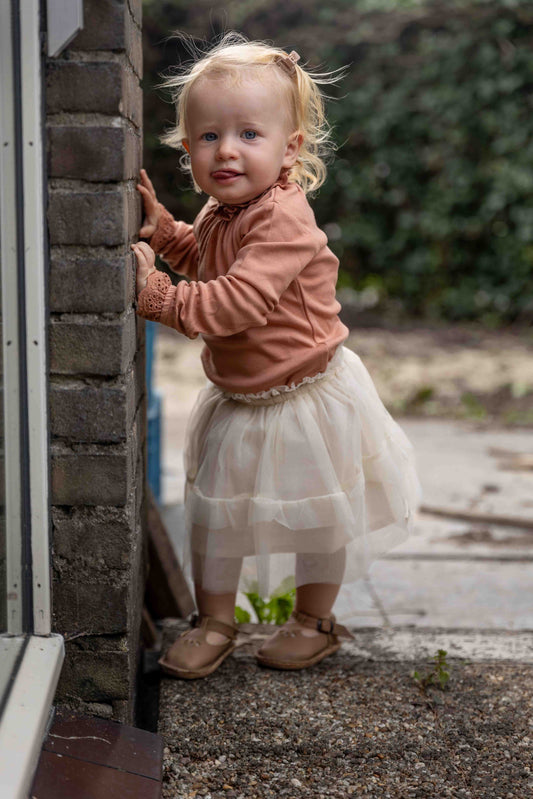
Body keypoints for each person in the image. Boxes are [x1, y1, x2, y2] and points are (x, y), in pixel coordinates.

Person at [132, 33, 421, 679]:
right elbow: (209, 259)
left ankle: (312, 620)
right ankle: (214, 622)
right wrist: (168, 234)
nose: (225, 149)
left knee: (319, 515)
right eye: (207, 137)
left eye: (247, 135)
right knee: (218, 517)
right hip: (241, 397)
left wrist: (153, 295)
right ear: (188, 149)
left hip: (305, 396)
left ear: (289, 147)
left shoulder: (285, 218)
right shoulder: (223, 207)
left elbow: (232, 302)